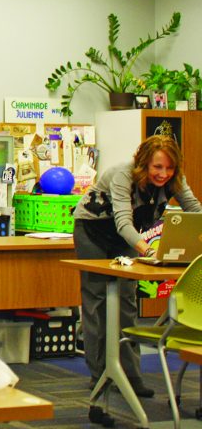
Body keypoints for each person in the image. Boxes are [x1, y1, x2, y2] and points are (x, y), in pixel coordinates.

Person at [73, 134, 201, 397]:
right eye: (157, 167)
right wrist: (149, 251)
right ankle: (100, 374)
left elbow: (195, 210)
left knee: (126, 300)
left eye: (169, 167)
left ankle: (131, 375)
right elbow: (123, 222)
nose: (163, 174)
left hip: (128, 236)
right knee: (96, 300)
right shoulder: (123, 174)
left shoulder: (175, 180)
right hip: (94, 230)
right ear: (143, 163)